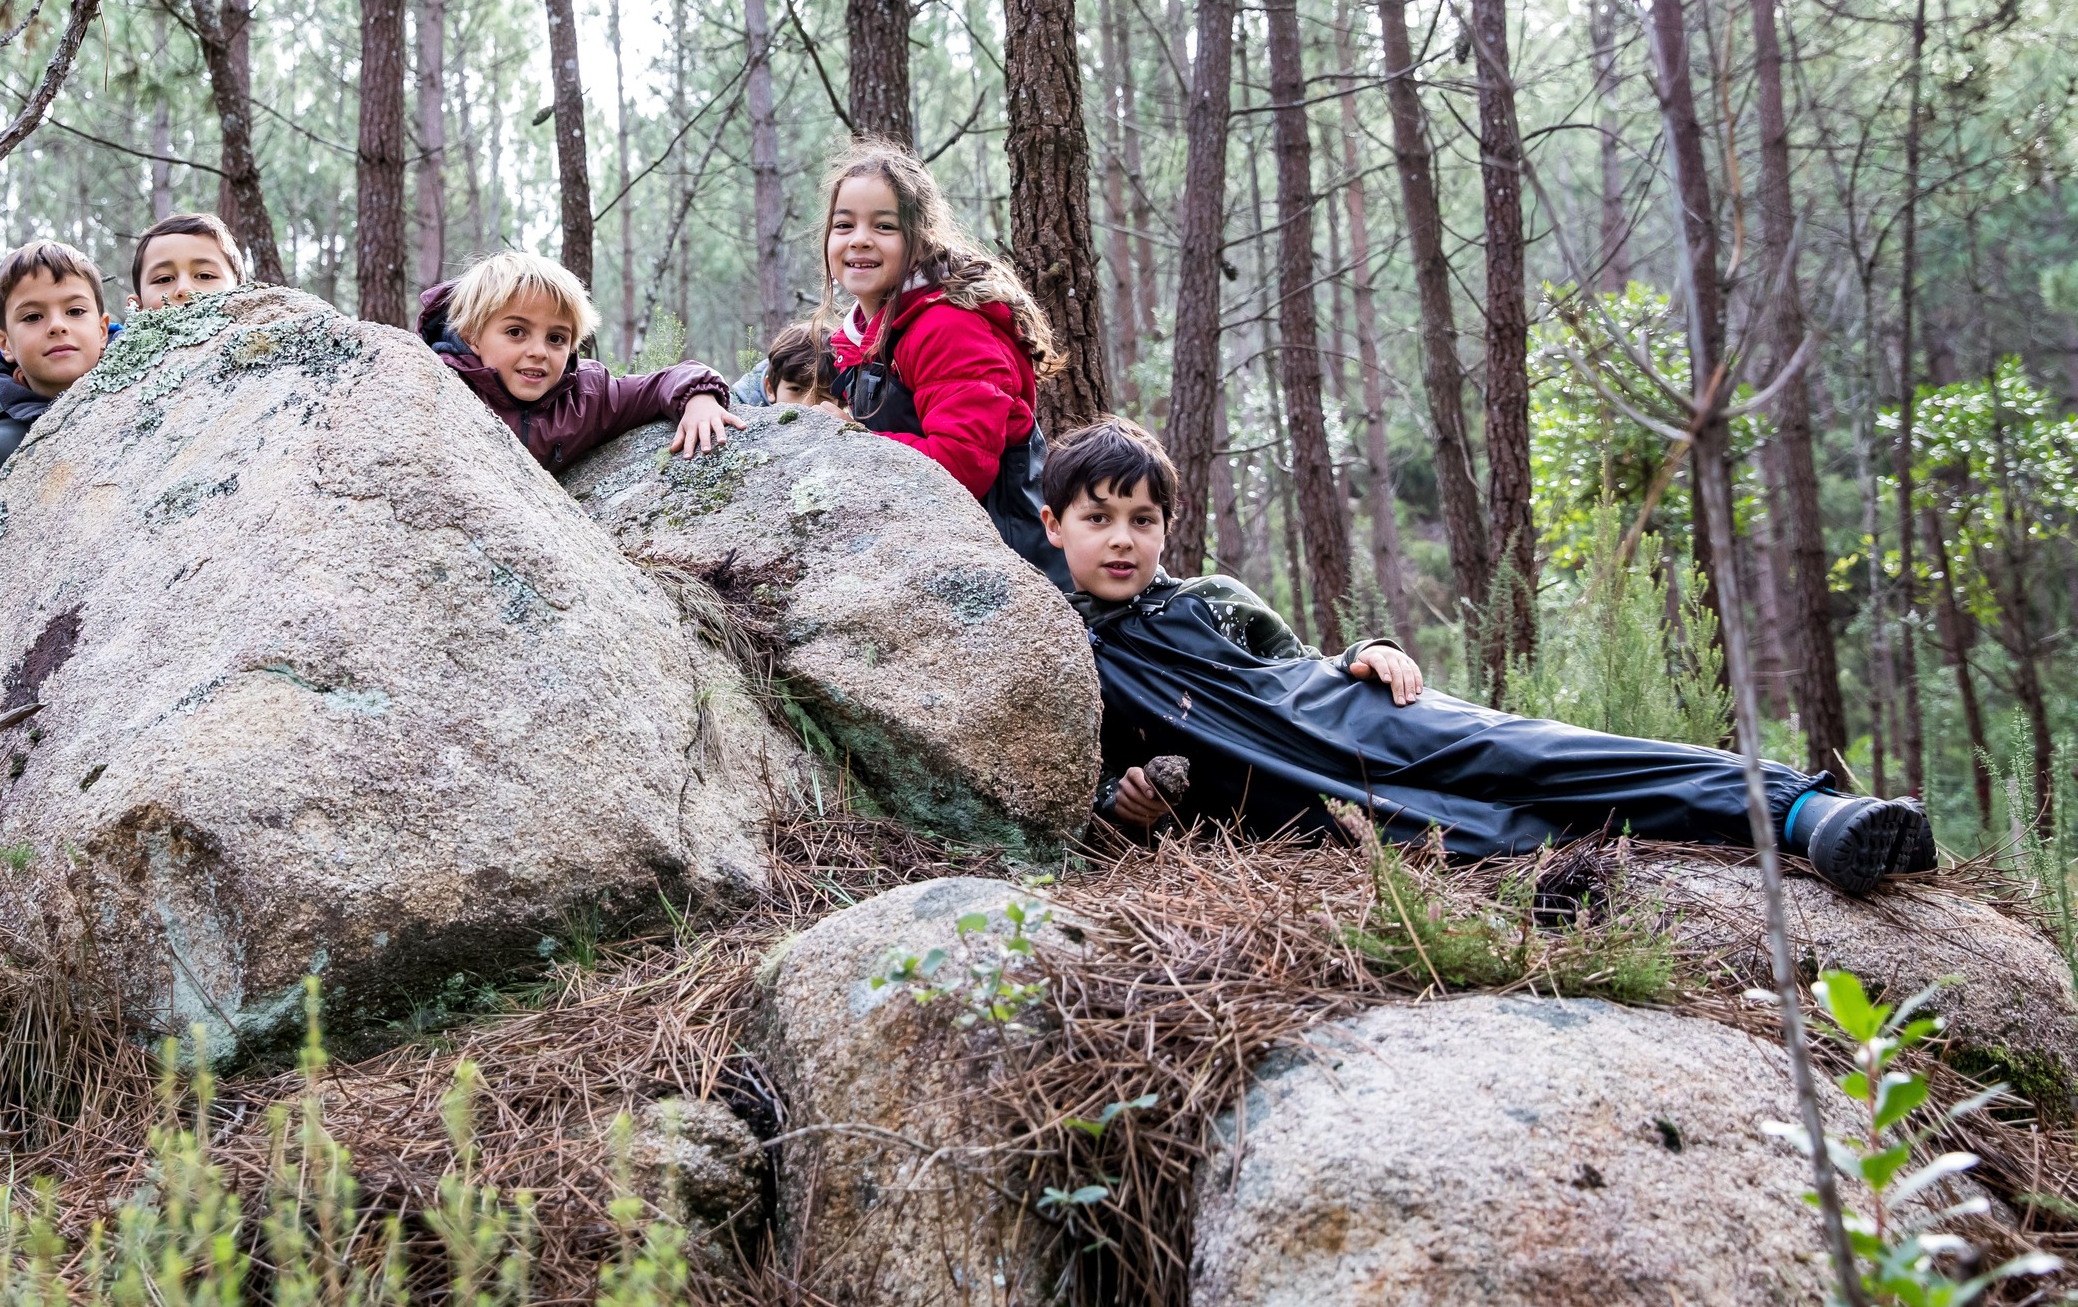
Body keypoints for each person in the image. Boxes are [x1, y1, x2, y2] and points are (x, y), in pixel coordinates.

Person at [1047, 417, 1935, 897]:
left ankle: (1807, 815)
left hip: (1353, 714)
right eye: (1099, 518)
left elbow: (1304, 656)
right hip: (1291, 800)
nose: (1123, 539)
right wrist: (1120, 804)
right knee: (1507, 843)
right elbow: (1078, 784)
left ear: (1166, 525)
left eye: (1143, 519)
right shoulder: (1064, 653)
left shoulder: (1211, 597)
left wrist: (1371, 649)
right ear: (1054, 527)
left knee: (1542, 755)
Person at [818, 141, 1070, 592]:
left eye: (884, 226)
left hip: (1010, 569)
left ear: (919, 240)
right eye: (844, 224)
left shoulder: (946, 327)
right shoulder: (859, 337)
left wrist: (849, 441)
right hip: (937, 553)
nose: (859, 238)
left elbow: (961, 467)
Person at [418, 250, 743, 472]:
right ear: (473, 335)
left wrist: (699, 399)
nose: (539, 351)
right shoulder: (444, 385)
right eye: (516, 332)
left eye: (556, 338)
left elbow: (658, 384)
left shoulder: (587, 396)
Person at [0, 242, 110, 513]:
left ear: (102, 330)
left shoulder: (152, 384)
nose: (57, 326)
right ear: (5, 343)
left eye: (75, 311)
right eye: (33, 317)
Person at [129, 211, 245, 311]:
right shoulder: (113, 337)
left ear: (243, 297)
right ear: (137, 307)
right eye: (164, 279)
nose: (184, 289)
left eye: (205, 276)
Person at [761, 321, 842, 410]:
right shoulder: (744, 419)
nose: (807, 405)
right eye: (795, 389)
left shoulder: (848, 421)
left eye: (823, 396)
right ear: (770, 389)